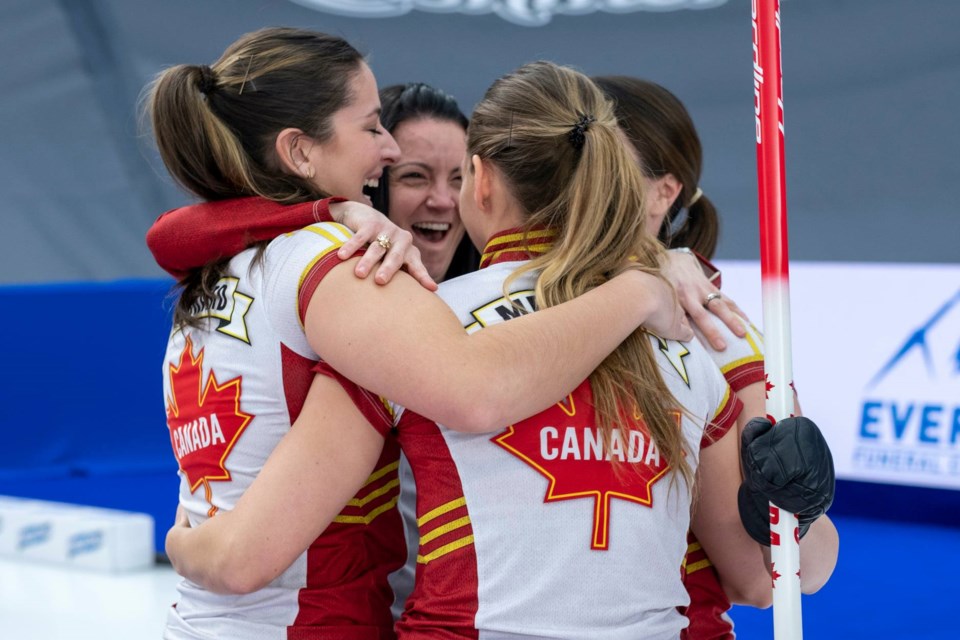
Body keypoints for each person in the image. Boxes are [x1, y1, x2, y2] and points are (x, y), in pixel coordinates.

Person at [164, 60, 836, 638]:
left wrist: (181, 540)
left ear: (479, 180)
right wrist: (803, 513)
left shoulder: (408, 333)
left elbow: (245, 555)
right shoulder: (708, 329)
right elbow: (772, 578)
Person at [593, 74, 839, 638]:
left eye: (605, 163)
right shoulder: (511, 290)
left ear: (665, 191)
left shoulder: (714, 329)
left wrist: (795, 512)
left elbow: (778, 573)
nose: (577, 185)